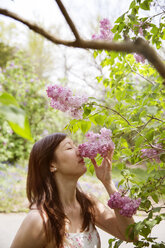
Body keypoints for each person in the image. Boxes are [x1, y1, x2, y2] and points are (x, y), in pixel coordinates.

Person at [10, 133, 137, 248]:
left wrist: (107, 182)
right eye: (69, 148)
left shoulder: (88, 204)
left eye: (75, 145)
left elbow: (131, 235)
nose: (80, 151)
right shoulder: (39, 220)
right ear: (52, 165)